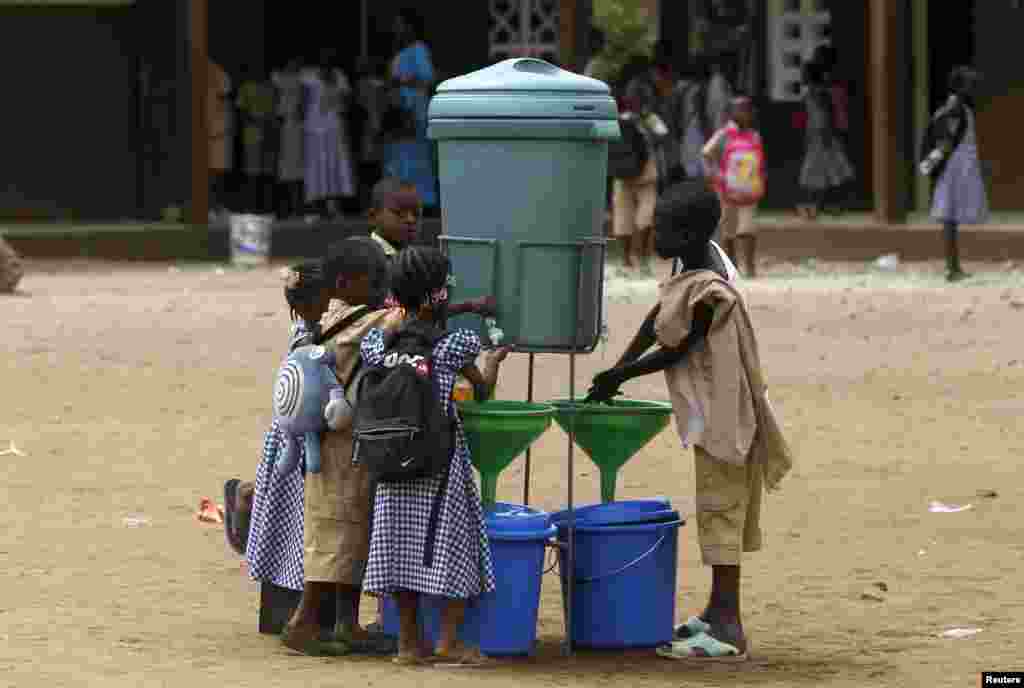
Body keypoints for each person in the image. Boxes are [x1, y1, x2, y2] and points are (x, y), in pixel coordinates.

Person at [587, 180, 793, 662]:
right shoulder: (690, 261)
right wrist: (616, 368)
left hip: (728, 411)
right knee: (714, 507)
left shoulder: (710, 287)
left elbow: (677, 346)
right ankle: (715, 611)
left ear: (693, 234)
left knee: (722, 512)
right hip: (709, 404)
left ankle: (728, 629)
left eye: (664, 229)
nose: (654, 235)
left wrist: (621, 374)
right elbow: (659, 317)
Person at [360, 247, 504, 666]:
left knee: (398, 548)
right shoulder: (454, 344)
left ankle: (408, 643)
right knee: (455, 545)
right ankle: (449, 641)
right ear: (439, 294)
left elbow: (393, 328)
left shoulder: (377, 345)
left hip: (390, 462)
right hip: (439, 462)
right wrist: (492, 361)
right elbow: (481, 389)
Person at [281, 237, 406, 656]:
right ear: (344, 282)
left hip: (323, 444)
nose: (378, 288)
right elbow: (398, 320)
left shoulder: (325, 318)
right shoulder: (361, 325)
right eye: (372, 280)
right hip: (342, 448)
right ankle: (302, 622)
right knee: (339, 534)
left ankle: (346, 625)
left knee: (342, 533)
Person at [227, 260, 333, 588]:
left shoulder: (318, 327)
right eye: (326, 299)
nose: (332, 304)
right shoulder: (306, 338)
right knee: (289, 498)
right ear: (303, 306)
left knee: (286, 493)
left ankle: (246, 495)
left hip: (301, 425)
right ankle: (247, 500)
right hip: (298, 429)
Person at [921, 66, 987, 282]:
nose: (974, 88)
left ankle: (954, 266)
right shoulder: (955, 106)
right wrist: (932, 164)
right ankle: (952, 268)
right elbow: (946, 141)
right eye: (970, 84)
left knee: (950, 217)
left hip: (958, 165)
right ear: (960, 86)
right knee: (949, 216)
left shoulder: (959, 106)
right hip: (955, 167)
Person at [383, 8, 438, 212]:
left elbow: (428, 78)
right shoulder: (399, 53)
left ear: (410, 27)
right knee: (400, 155)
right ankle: (402, 200)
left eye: (400, 24)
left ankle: (423, 199)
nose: (397, 29)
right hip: (399, 109)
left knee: (417, 156)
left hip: (415, 110)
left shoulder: (418, 49)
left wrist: (402, 82)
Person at [702, 96, 764, 278]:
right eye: (740, 110)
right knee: (728, 231)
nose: (745, 114)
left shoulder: (754, 135)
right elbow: (706, 153)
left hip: (749, 191)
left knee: (748, 229)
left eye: (747, 110)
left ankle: (750, 267)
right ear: (732, 113)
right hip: (727, 191)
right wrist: (715, 175)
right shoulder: (723, 135)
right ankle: (732, 265)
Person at [301, 49, 357, 219]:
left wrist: (343, 115)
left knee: (334, 165)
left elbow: (346, 102)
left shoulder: (339, 77)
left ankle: (333, 206)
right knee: (318, 166)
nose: (327, 60)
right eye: (324, 58)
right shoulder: (308, 76)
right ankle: (318, 206)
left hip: (334, 126)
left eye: (330, 58)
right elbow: (303, 102)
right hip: (315, 128)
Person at [796, 60, 854, 220]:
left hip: (822, 136)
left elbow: (823, 116)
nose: (802, 76)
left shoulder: (818, 93)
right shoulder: (813, 93)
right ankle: (820, 206)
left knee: (822, 173)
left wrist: (825, 134)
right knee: (822, 174)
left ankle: (817, 206)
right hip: (817, 136)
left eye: (804, 73)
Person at [237, 67, 279, 213]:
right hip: (252, 135)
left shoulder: (272, 88)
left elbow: (277, 110)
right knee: (252, 173)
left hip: (270, 134)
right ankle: (251, 206)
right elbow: (242, 111)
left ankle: (267, 207)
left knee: (268, 173)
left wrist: (270, 124)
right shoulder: (246, 88)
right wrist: (254, 121)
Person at [272, 57, 306, 217]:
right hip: (285, 125)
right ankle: (286, 207)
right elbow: (276, 99)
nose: (295, 64)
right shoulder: (278, 78)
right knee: (285, 169)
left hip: (299, 126)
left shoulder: (303, 78)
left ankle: (298, 207)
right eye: (291, 62)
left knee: (299, 168)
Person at [208, 58, 234, 220]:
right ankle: (210, 207)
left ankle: (217, 207)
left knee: (219, 175)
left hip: (220, 137)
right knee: (211, 175)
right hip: (210, 136)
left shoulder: (225, 107)